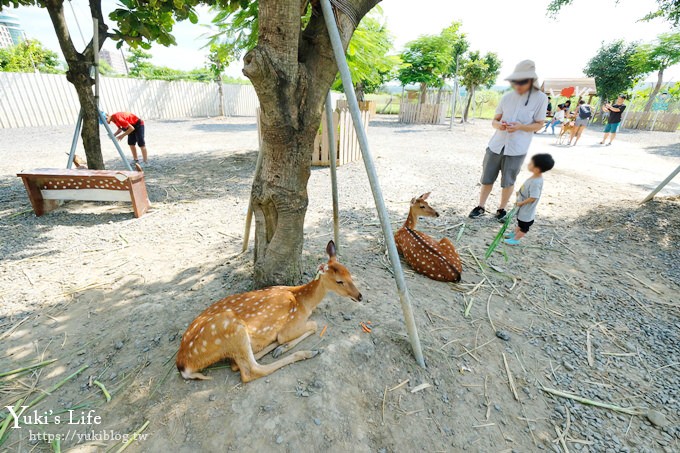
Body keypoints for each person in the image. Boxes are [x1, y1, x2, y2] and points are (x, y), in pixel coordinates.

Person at [469, 60, 548, 222]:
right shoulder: (506, 97)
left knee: (508, 180)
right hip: (496, 145)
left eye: (522, 82)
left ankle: (501, 209)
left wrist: (520, 127)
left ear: (531, 81)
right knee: (487, 178)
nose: (517, 85)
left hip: (517, 149)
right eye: (515, 81)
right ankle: (481, 206)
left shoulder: (541, 98)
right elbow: (494, 121)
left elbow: (539, 125)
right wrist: (500, 125)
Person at [504, 153, 555, 245]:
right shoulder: (535, 177)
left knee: (524, 227)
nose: (528, 164)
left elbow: (533, 197)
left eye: (531, 163)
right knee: (520, 223)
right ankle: (514, 234)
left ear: (537, 169)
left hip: (527, 211)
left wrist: (521, 203)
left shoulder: (536, 182)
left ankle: (516, 239)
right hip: (524, 209)